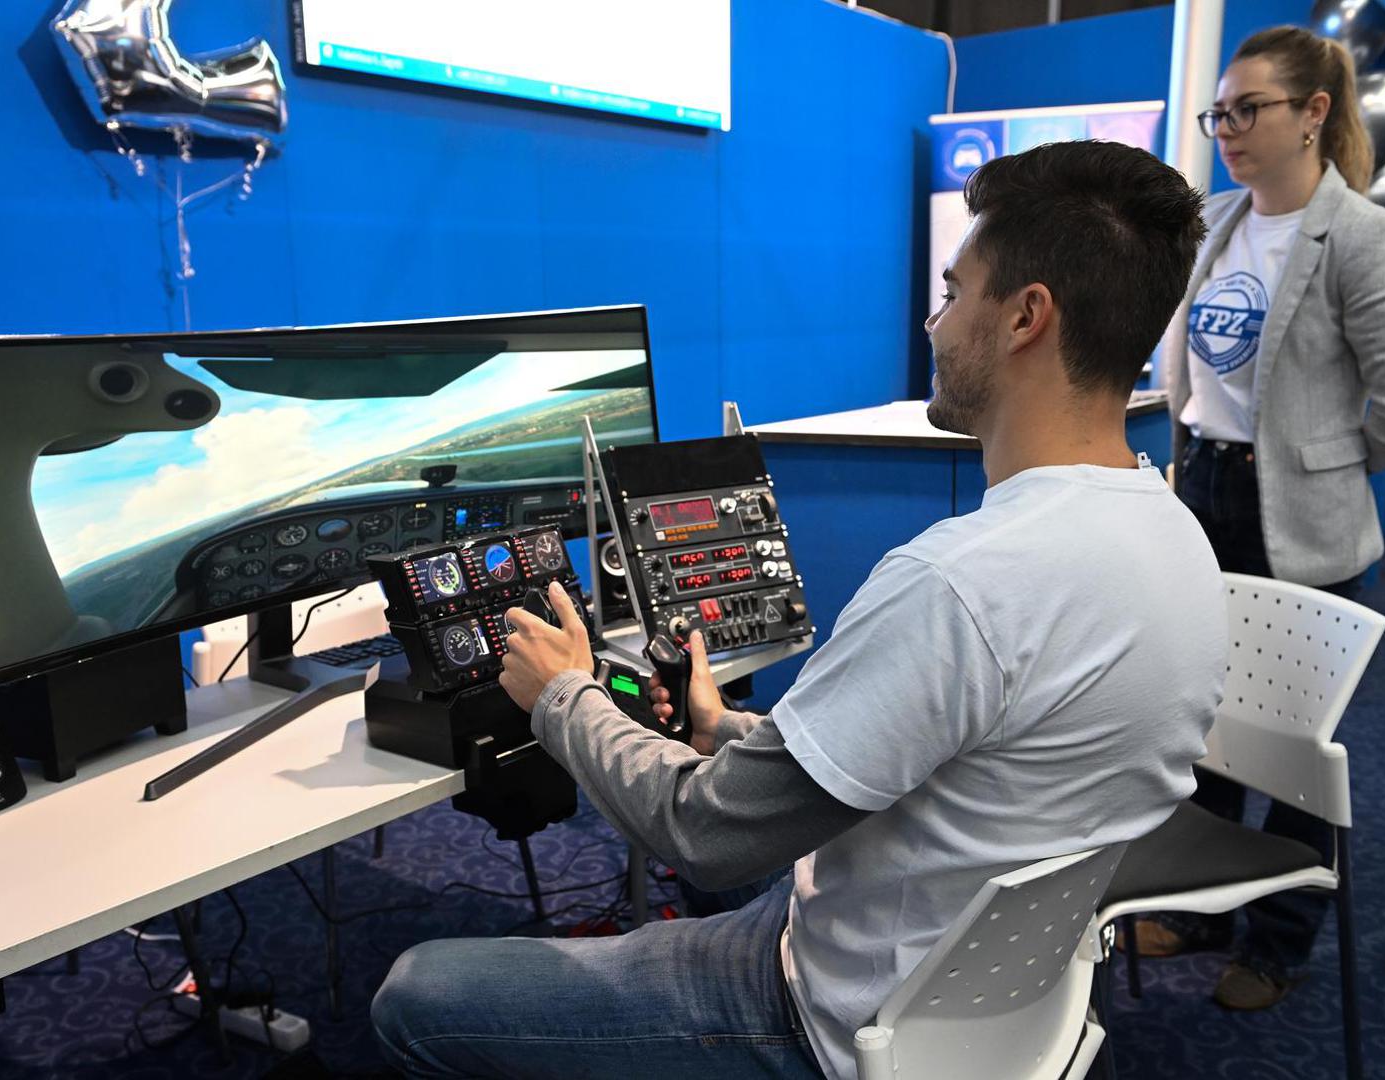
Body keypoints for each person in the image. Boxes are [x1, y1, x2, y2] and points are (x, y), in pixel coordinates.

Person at [370, 140, 1224, 1079]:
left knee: (415, 993)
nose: (935, 325)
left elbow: (703, 834)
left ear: (1026, 316)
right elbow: (963, 760)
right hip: (1004, 997)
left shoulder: (959, 584)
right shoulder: (1177, 540)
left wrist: (562, 695)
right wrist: (724, 728)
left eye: (953, 294)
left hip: (838, 1022)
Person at [1128, 25, 1385, 1012]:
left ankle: (1278, 943)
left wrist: (1325, 461)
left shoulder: (1358, 235)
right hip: (1204, 491)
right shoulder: (1222, 222)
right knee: (1204, 719)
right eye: (1220, 114)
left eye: (1249, 110)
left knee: (1292, 745)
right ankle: (1203, 908)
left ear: (1314, 112)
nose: (1228, 129)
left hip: (1302, 513)